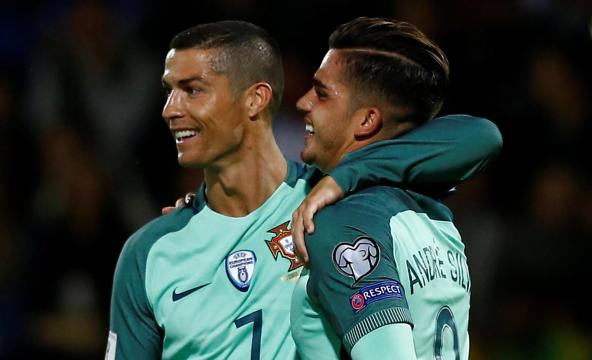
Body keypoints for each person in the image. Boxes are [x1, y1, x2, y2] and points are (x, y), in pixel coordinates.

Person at [107, 20, 501, 359]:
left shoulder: (336, 210)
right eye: (169, 90)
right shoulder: (150, 251)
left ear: (255, 99)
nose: (170, 108)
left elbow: (478, 136)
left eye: (192, 89)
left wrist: (344, 178)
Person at [289, 17, 502, 359]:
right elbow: (484, 135)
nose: (302, 101)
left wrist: (345, 178)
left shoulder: (345, 220)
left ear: (366, 120)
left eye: (322, 93)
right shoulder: (430, 212)